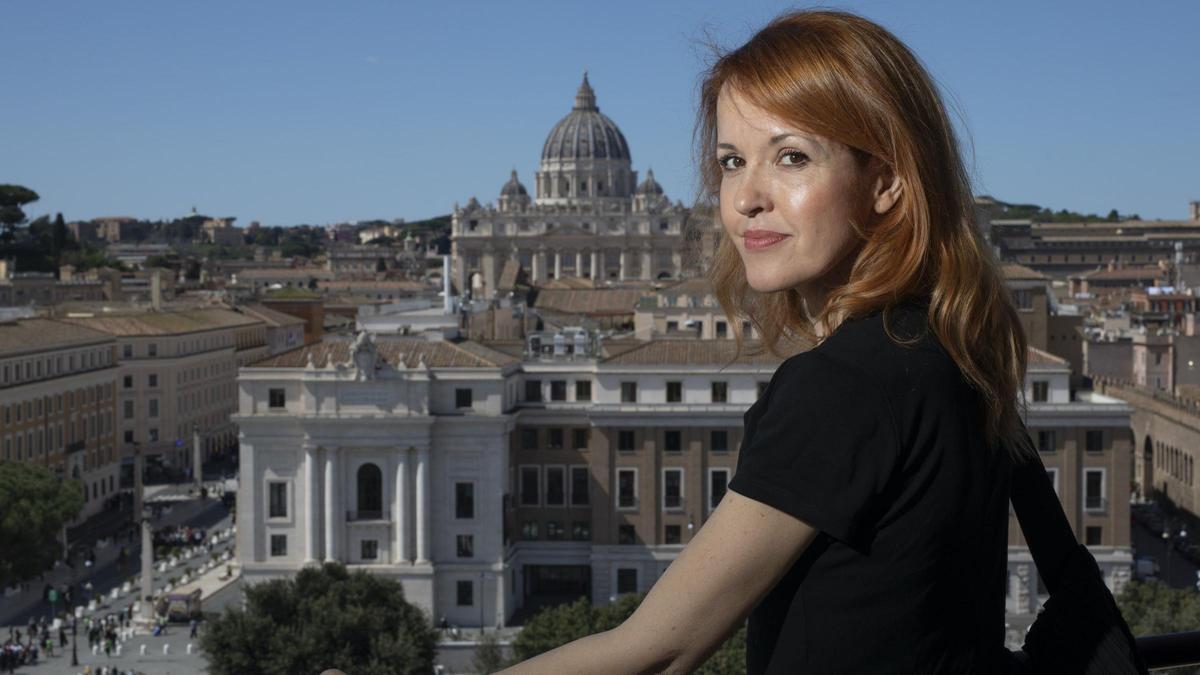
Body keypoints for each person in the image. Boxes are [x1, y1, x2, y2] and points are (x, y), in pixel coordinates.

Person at [495, 9, 1143, 675]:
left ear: (887, 180)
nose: (746, 196)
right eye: (731, 161)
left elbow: (660, 651)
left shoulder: (842, 387)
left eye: (791, 157)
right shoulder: (951, 346)